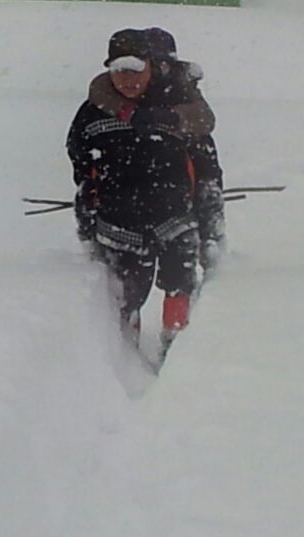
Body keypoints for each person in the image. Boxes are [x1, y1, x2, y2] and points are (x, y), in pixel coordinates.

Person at [66, 29, 205, 348]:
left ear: (150, 66)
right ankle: (126, 353)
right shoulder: (92, 114)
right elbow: (80, 161)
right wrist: (88, 212)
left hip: (174, 217)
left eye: (136, 70)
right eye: (120, 70)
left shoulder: (173, 103)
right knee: (127, 295)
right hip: (119, 224)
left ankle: (176, 344)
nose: (128, 79)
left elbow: (203, 149)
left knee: (179, 282)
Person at [87, 27, 226, 271]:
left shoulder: (179, 83)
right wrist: (128, 112)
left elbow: (205, 119)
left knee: (203, 151)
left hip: (178, 166)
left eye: (165, 63)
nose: (161, 69)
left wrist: (173, 117)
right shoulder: (113, 84)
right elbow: (99, 90)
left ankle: (210, 218)